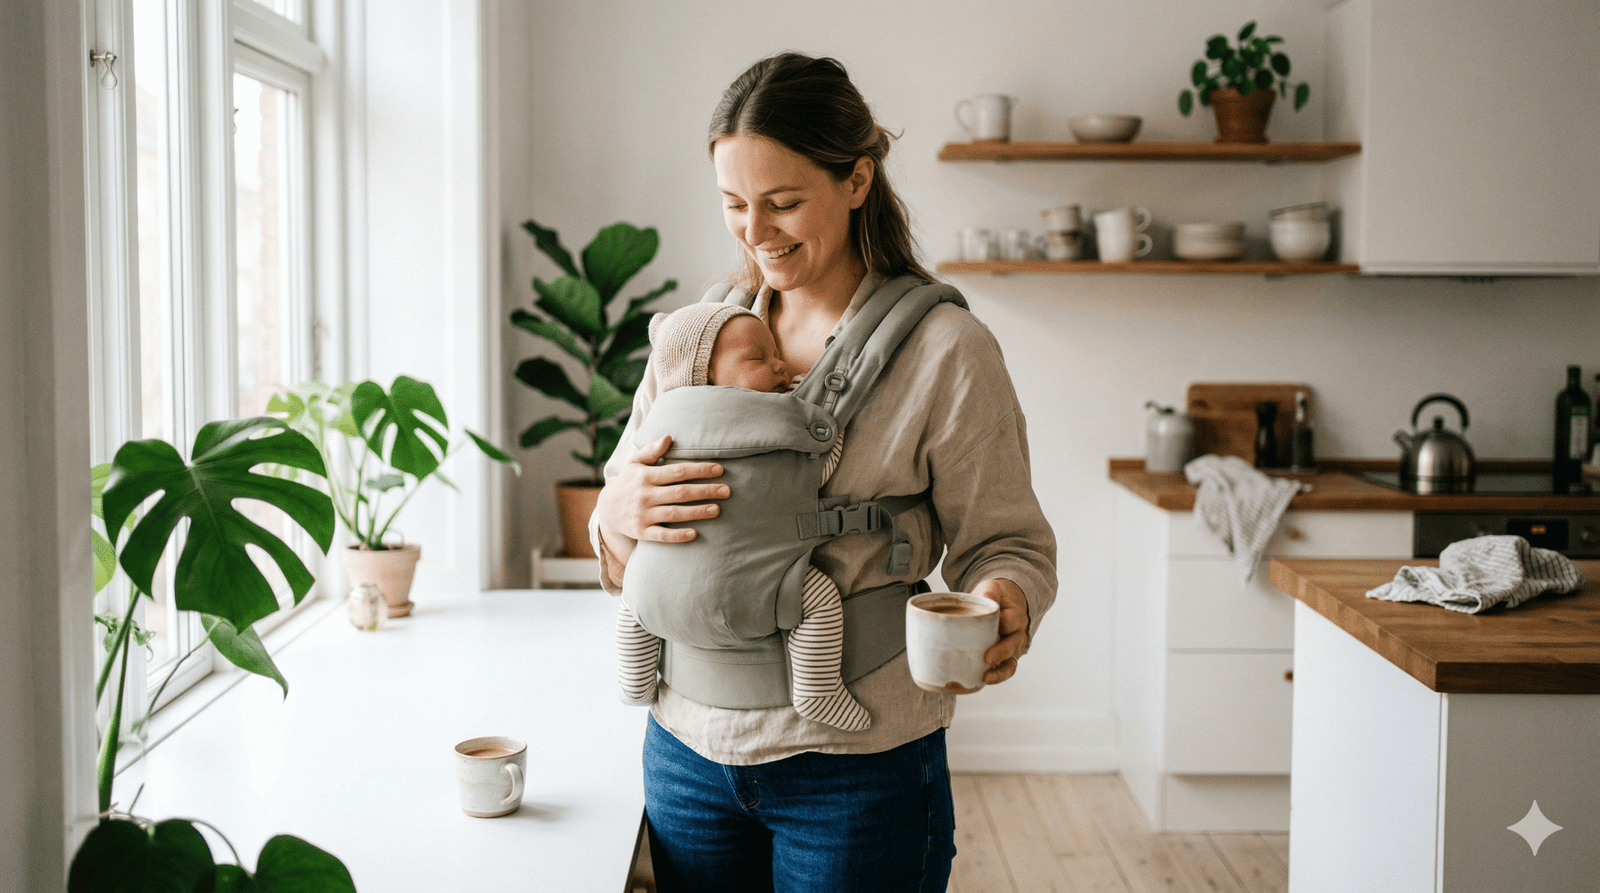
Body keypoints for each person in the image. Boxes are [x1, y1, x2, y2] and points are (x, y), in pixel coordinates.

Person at [592, 51, 1057, 893]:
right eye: (734, 205)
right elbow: (620, 521)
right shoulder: (695, 342)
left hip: (860, 764)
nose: (755, 231)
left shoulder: (946, 349)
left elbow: (1009, 542)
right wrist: (615, 505)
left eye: (782, 202)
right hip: (688, 753)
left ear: (857, 180)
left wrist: (1004, 602)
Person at [615, 301, 870, 732]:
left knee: (633, 599)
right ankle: (817, 690)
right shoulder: (780, 424)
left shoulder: (657, 425)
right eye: (758, 358)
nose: (781, 366)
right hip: (765, 585)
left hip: (662, 584)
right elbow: (815, 468)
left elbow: (625, 473)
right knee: (819, 600)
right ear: (702, 376)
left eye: (776, 354)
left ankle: (634, 680)